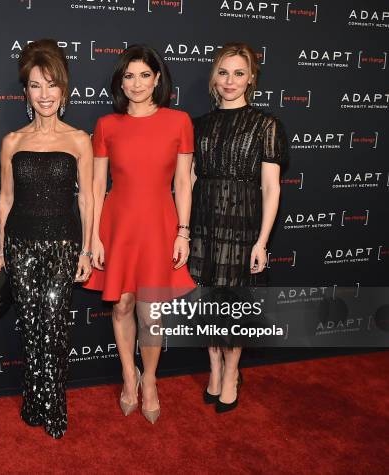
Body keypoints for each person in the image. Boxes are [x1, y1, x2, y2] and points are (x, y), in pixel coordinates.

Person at [84, 45, 196, 424]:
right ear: (120, 81)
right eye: (128, 76)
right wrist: (95, 238)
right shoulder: (106, 125)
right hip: (118, 224)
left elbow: (183, 182)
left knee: (152, 311)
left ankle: (150, 379)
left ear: (158, 79)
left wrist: (183, 232)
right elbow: (98, 186)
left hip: (159, 224)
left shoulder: (179, 121)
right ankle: (127, 375)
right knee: (122, 305)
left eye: (144, 75)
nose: (136, 83)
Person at [0, 39, 93, 439]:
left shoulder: (78, 139)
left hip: (64, 246)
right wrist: (1, 251)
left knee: (54, 326)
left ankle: (52, 407)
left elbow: (86, 198)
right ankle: (34, 401)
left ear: (63, 90)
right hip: (21, 245)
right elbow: (5, 199)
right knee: (32, 328)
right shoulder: (12, 142)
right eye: (36, 85)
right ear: (26, 92)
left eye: (52, 85)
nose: (45, 94)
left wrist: (88, 247)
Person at [189, 42, 287, 413]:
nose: (230, 81)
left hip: (243, 226)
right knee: (207, 300)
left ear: (251, 79)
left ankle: (232, 371)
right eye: (224, 72)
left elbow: (271, 188)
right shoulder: (198, 126)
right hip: (205, 225)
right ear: (215, 77)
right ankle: (214, 367)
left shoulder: (266, 125)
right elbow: (191, 179)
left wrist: (262, 241)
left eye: (239, 73)